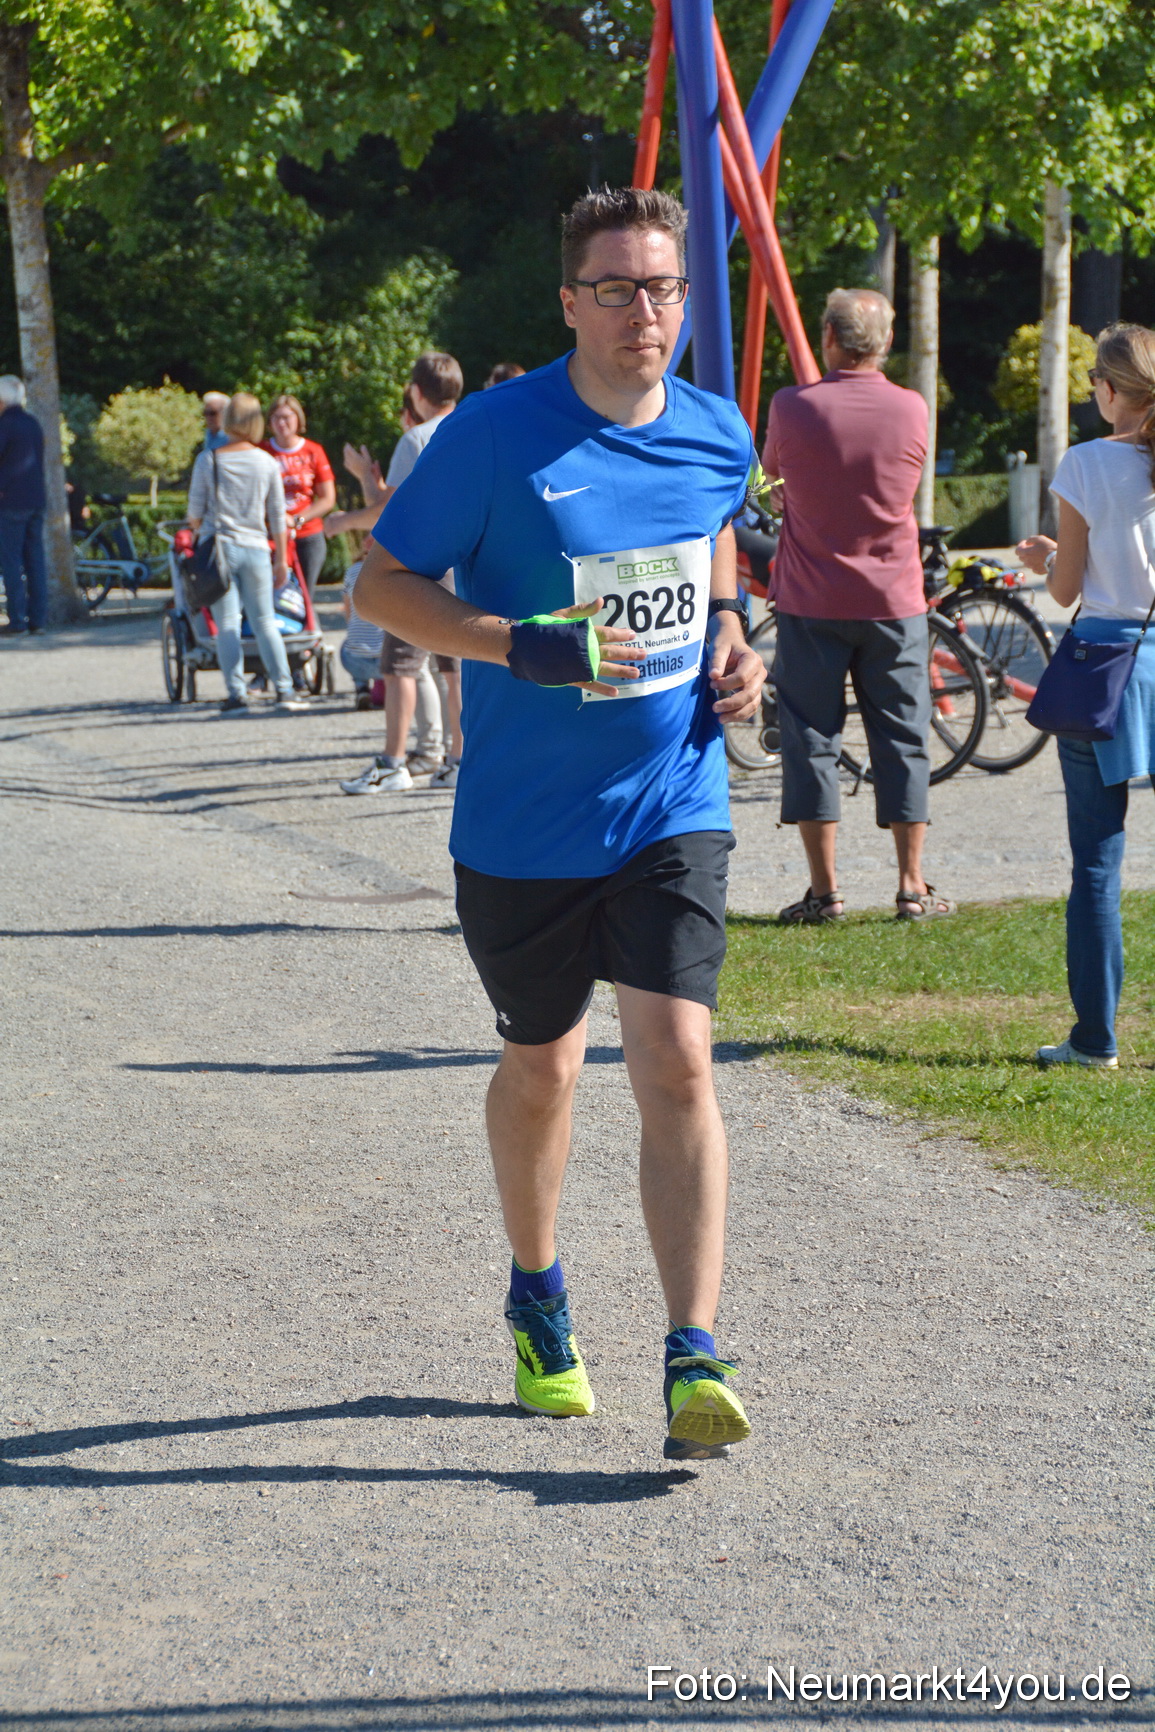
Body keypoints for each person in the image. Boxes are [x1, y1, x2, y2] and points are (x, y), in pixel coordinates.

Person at [353, 186, 766, 1461]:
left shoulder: (716, 430)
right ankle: (538, 1292)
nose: (644, 311)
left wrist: (732, 636)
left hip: (673, 796)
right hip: (523, 825)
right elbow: (381, 585)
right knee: (544, 1065)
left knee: (678, 1058)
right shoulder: (491, 436)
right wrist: (516, 646)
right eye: (615, 288)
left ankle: (694, 1349)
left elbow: (713, 544)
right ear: (569, 303)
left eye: (663, 288)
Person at [763, 287, 953, 923]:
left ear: (828, 337)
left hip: (810, 599)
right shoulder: (912, 407)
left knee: (810, 739)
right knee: (903, 738)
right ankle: (912, 886)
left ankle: (825, 893)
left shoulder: (791, 406)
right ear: (887, 342)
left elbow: (771, 481)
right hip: (893, 600)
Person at [1016, 323, 1155, 1069]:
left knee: (1097, 865)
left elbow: (1066, 588)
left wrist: (1045, 558)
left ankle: (1095, 1039)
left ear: (1107, 389)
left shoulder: (1087, 463)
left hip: (1105, 667)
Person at [338, 353, 465, 792]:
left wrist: (342, 519)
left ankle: (392, 764)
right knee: (455, 669)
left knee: (399, 667)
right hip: (462, 562)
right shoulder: (472, 427)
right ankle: (458, 760)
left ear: (416, 391)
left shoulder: (415, 438)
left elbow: (387, 510)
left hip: (418, 566)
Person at [187, 392, 309, 714]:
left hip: (220, 549)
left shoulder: (209, 460)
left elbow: (194, 515)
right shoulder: (266, 462)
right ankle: (284, 689)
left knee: (228, 623)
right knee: (265, 621)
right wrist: (281, 560)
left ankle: (237, 694)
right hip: (257, 548)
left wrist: (203, 524)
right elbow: (277, 516)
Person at [263, 394, 336, 599]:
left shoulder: (313, 451)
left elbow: (327, 498)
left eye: (287, 417)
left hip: (307, 535)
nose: (282, 423)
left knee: (303, 597)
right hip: (270, 535)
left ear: (298, 419)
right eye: (276, 417)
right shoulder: (262, 451)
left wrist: (297, 520)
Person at [0, 375, 48, 637]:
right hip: (36, 498)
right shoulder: (32, 423)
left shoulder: (4, 425)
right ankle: (39, 620)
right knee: (35, 560)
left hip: (11, 501)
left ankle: (17, 620)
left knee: (11, 561)